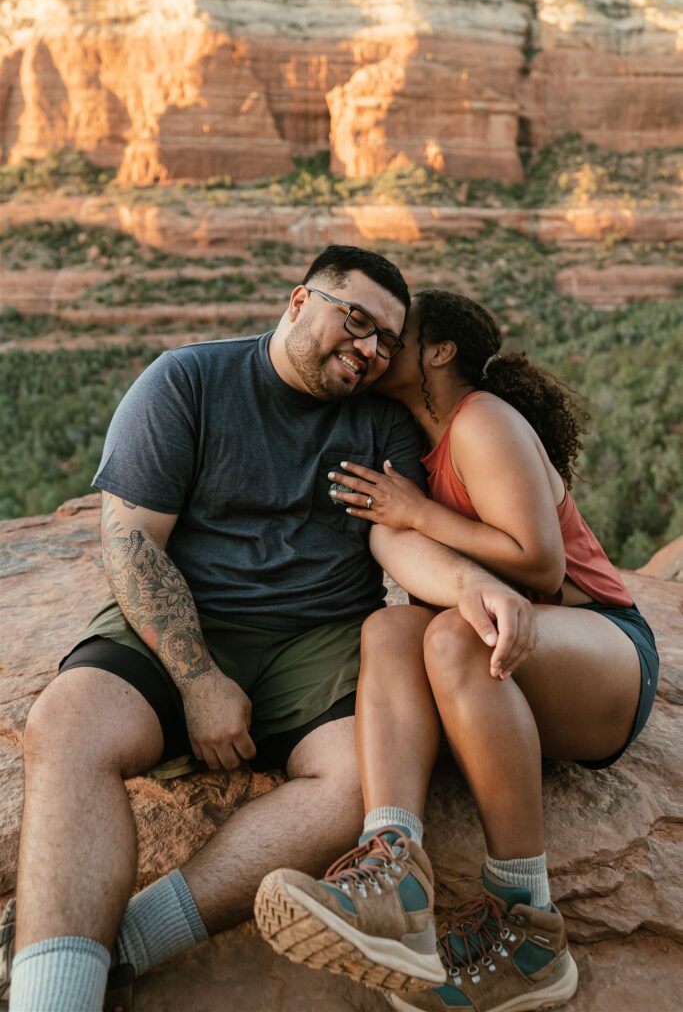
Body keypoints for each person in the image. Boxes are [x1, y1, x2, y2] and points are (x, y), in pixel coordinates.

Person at [2, 258, 537, 1012]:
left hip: (317, 640)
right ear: (298, 301)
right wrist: (197, 679)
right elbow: (131, 543)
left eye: (387, 339)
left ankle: (116, 948)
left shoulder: (378, 420)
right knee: (68, 721)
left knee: (357, 785)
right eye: (355, 319)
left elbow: (394, 538)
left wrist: (470, 584)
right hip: (185, 616)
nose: (370, 349)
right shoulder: (186, 380)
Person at [254, 289, 660, 1012]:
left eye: (395, 336)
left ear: (438, 351)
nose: (376, 347)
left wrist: (416, 512)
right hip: (513, 662)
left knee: (452, 633)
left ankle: (528, 929)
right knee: (386, 631)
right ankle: (395, 880)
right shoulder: (414, 441)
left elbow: (539, 566)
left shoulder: (480, 420)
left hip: (600, 646)